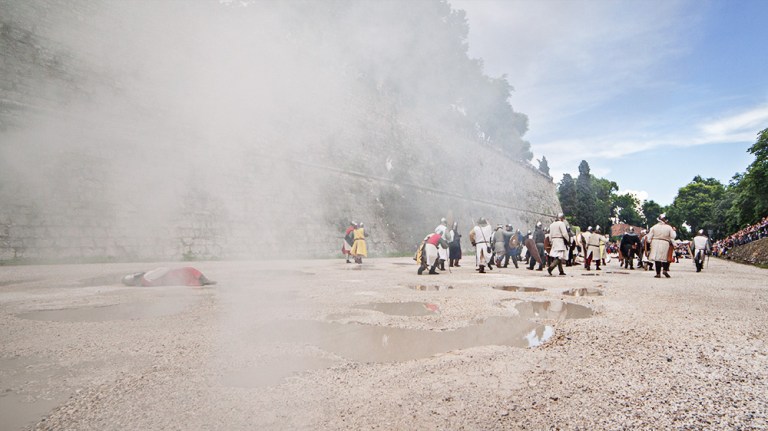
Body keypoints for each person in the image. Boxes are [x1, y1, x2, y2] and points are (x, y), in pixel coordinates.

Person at [646, 214, 677, 278]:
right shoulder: (669, 227)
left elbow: (649, 237)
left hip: (655, 243)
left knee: (657, 258)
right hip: (665, 243)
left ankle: (658, 273)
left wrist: (649, 242)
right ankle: (665, 270)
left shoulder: (654, 227)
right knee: (665, 258)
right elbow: (673, 236)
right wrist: (674, 231)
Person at [122, 267, 216, 287]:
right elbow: (163, 270)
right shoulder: (146, 277)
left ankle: (203, 281)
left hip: (169, 280)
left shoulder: (144, 283)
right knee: (189, 270)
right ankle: (204, 280)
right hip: (170, 276)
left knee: (187, 279)